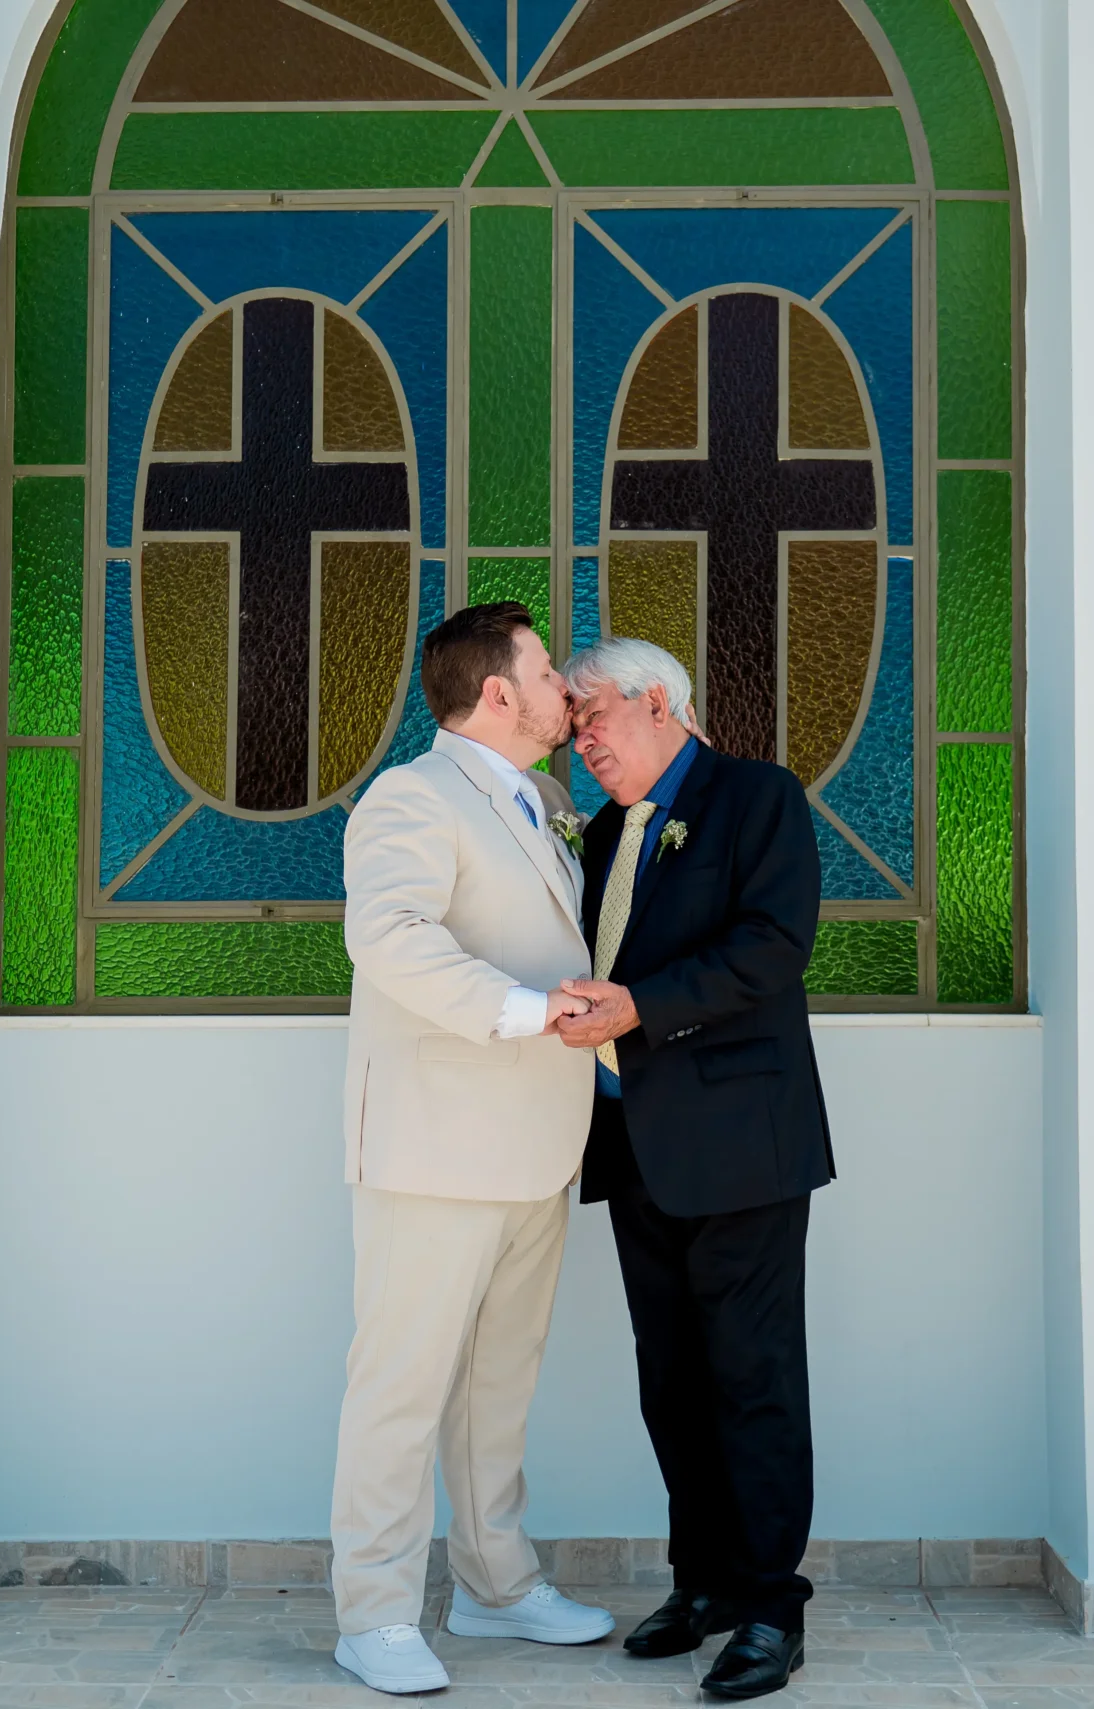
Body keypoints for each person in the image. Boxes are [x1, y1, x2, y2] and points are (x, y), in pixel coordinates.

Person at [329, 602, 618, 1693]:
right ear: (497, 692)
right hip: (436, 1147)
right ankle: (373, 1611)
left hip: (540, 1143)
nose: (563, 690)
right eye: (545, 671)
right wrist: (531, 1011)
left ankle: (495, 1584)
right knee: (401, 1386)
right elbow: (389, 936)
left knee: (499, 1382)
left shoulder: (548, 800)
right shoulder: (412, 795)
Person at [552, 637, 831, 1701]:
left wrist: (638, 1006)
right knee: (670, 1380)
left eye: (594, 716)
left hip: (743, 1145)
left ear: (659, 702)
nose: (582, 739)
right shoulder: (601, 832)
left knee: (753, 1378)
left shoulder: (757, 797)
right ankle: (702, 1581)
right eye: (573, 724)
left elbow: (773, 944)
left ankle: (770, 1608)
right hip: (634, 1147)